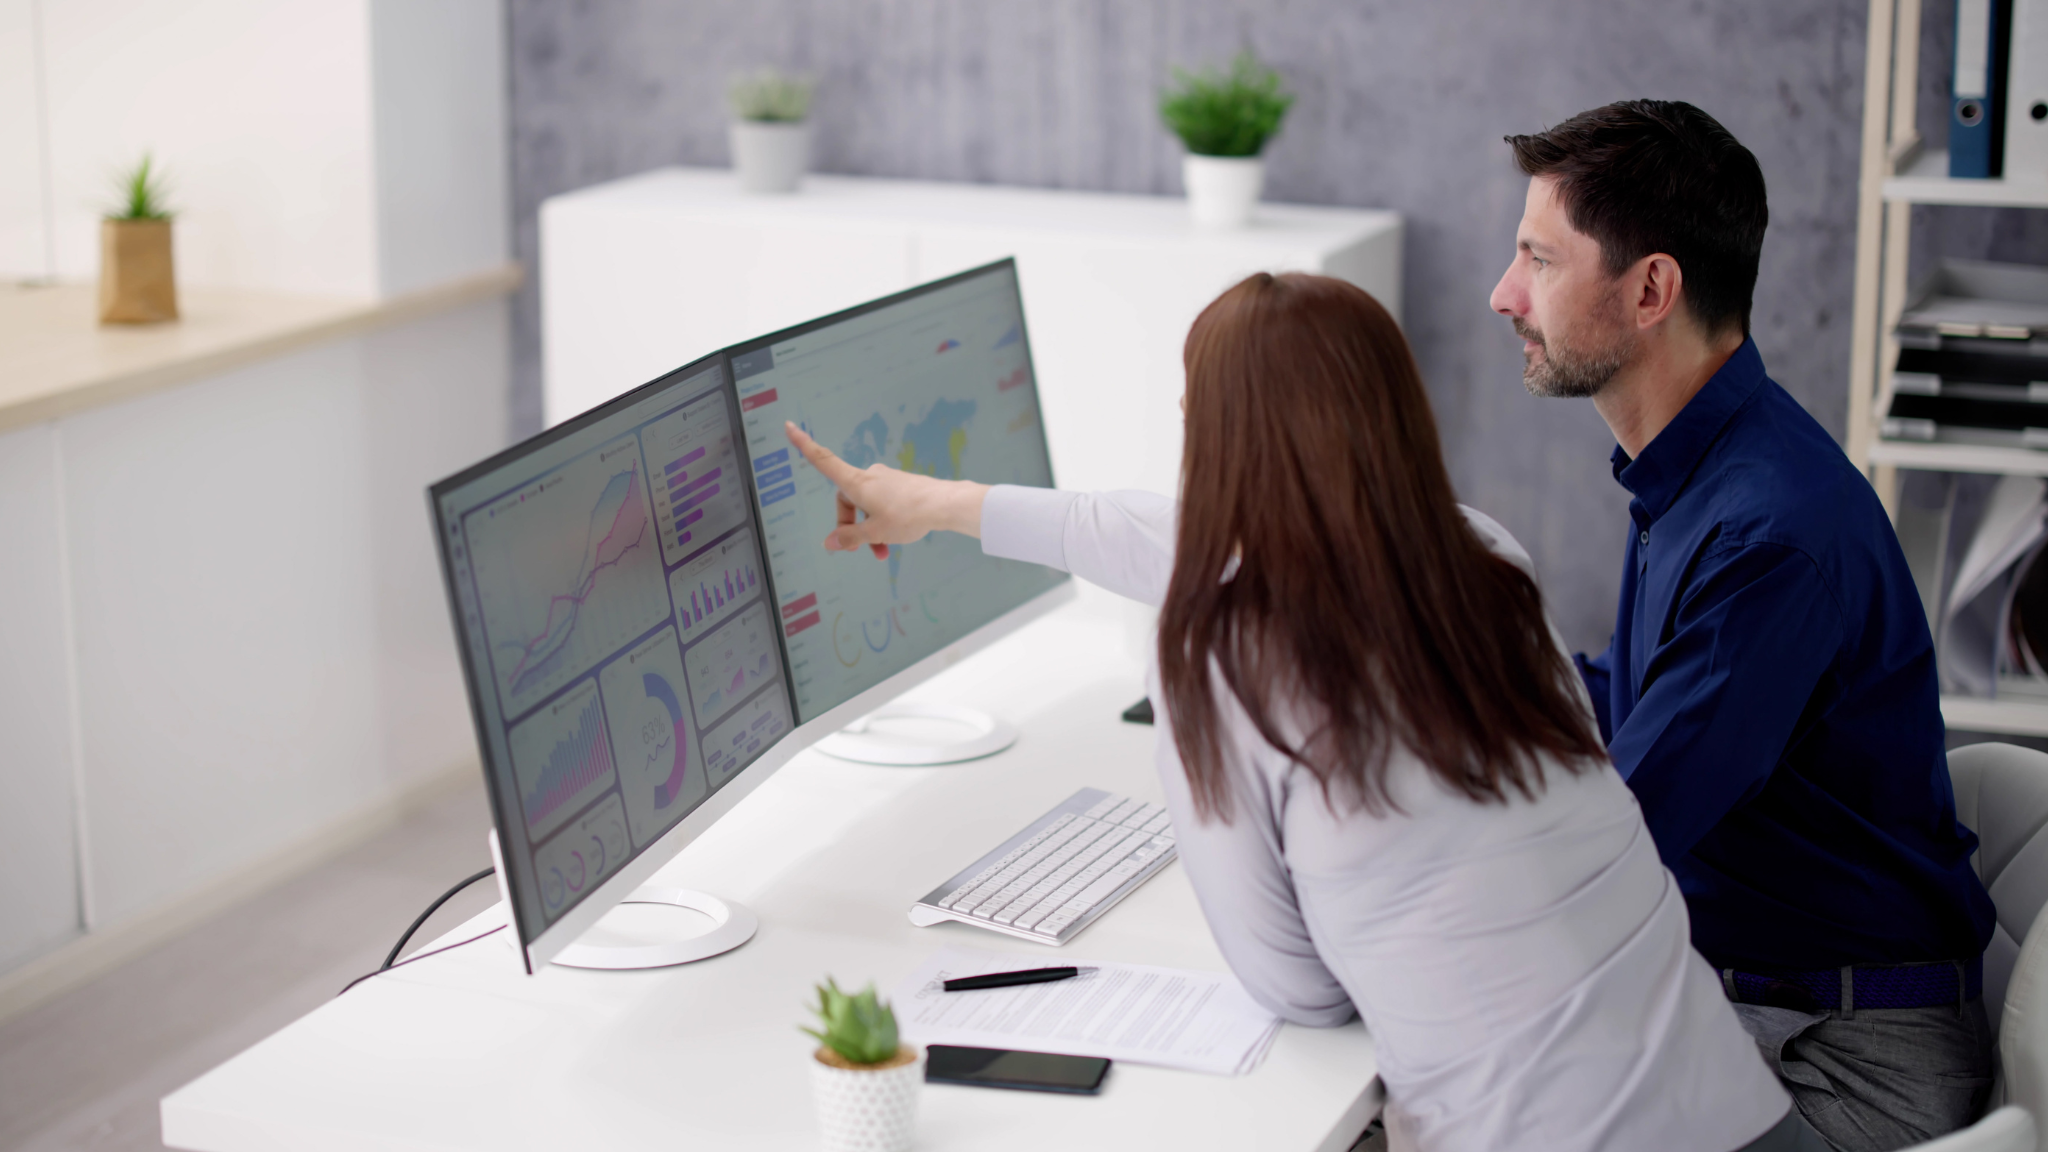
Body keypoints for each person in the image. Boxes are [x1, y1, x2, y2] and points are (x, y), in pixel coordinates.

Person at [782, 272, 1819, 1152]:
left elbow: (1300, 992)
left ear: (1217, 442)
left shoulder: (1222, 660)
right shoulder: (1481, 558)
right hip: (1728, 1110)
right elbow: (1176, 532)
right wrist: (946, 506)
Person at [1488, 99, 1998, 1150]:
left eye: (1537, 260)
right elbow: (1639, 704)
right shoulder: (1706, 474)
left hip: (1838, 1062)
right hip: (1765, 1005)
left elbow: (1613, 847)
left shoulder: (1764, 535)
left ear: (1649, 290)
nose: (1503, 295)